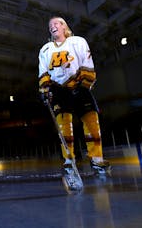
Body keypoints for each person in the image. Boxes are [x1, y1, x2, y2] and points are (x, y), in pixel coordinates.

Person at [38, 16, 110, 177]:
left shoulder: (78, 42)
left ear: (64, 27)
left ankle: (97, 159)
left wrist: (84, 85)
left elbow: (87, 62)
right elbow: (43, 72)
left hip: (79, 86)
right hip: (58, 90)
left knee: (92, 122)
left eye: (56, 23)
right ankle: (69, 160)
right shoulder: (45, 50)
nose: (52, 26)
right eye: (50, 25)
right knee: (64, 128)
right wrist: (44, 90)